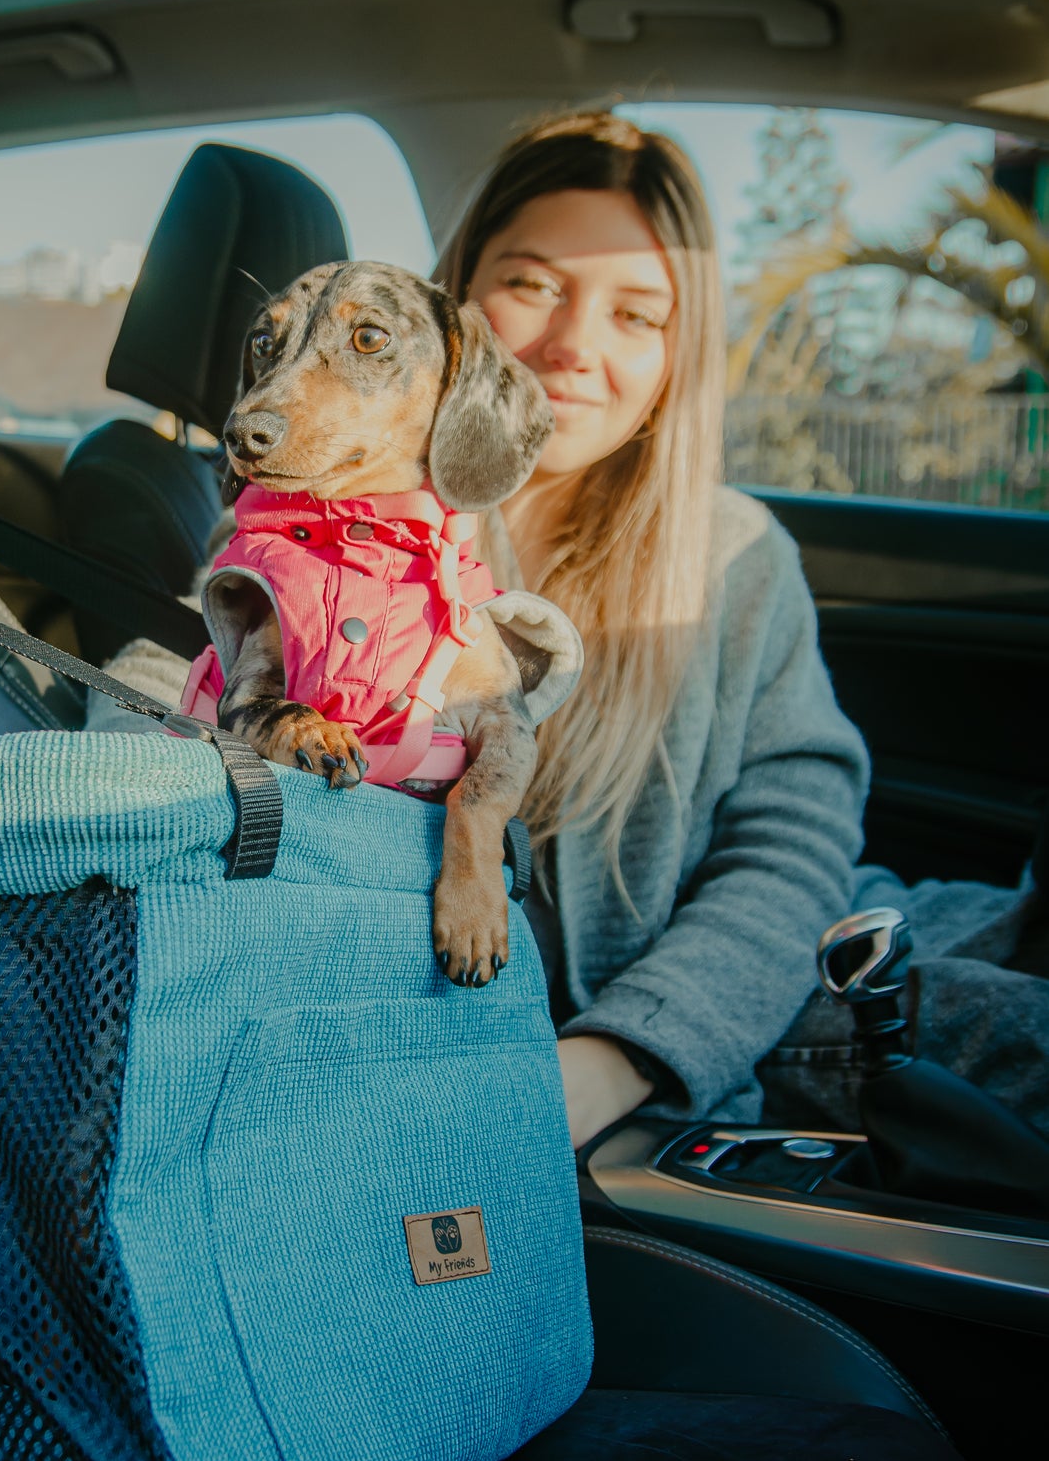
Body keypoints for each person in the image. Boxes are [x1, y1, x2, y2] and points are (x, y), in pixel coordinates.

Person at [436, 110, 1048, 1151]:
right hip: (736, 1023)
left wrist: (617, 1055)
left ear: (679, 354)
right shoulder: (334, 539)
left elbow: (791, 843)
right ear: (455, 293)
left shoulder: (730, 554)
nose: (573, 345)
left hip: (753, 957)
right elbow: (172, 698)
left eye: (637, 315)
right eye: (532, 283)